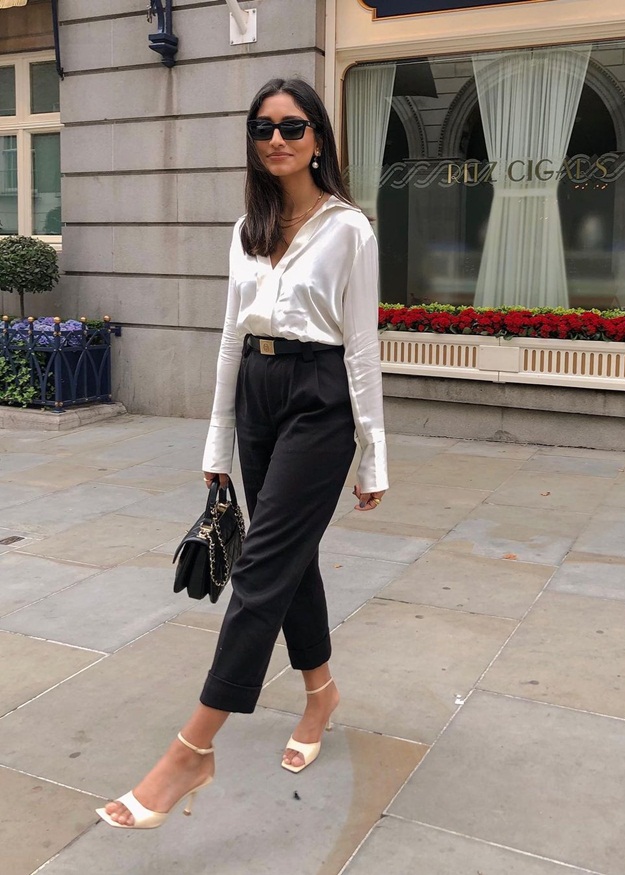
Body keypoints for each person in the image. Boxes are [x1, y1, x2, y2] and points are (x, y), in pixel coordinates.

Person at [97, 78, 389, 829]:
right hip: (257, 392)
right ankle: (321, 693)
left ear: (318, 138)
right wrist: (216, 440)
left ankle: (192, 748)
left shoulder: (349, 229)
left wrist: (373, 453)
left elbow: (362, 347)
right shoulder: (247, 230)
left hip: (320, 396)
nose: (277, 139)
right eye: (263, 128)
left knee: (260, 569)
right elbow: (230, 337)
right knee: (290, 558)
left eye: (292, 126)